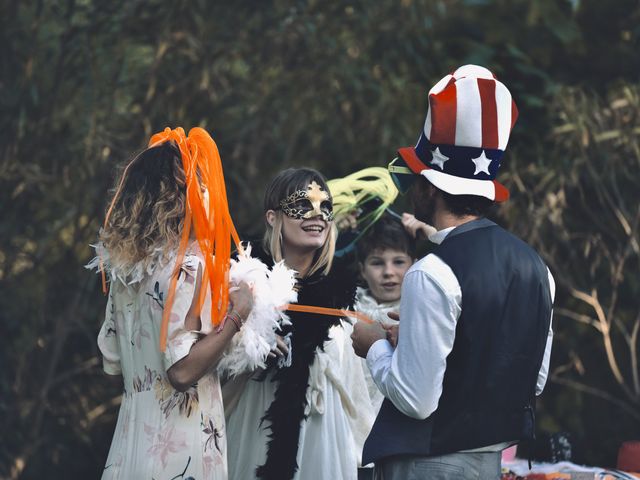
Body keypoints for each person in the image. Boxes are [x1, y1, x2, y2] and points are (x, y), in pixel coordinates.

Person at [351, 65, 555, 480]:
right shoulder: (538, 269)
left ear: (429, 185)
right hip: (489, 466)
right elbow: (531, 380)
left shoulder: (430, 273)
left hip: (427, 466)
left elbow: (416, 399)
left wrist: (373, 344)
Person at [90, 128, 254, 479]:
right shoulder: (189, 267)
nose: (208, 195)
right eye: (200, 186)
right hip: (180, 447)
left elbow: (113, 362)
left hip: (131, 440)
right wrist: (238, 315)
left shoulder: (124, 272)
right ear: (182, 198)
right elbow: (181, 371)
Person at [224, 168, 373, 480]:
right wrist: (249, 341)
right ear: (272, 216)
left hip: (324, 439)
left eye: (324, 207)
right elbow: (210, 356)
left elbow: (352, 387)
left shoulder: (342, 295)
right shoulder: (242, 280)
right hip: (254, 430)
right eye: (302, 205)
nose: (316, 215)